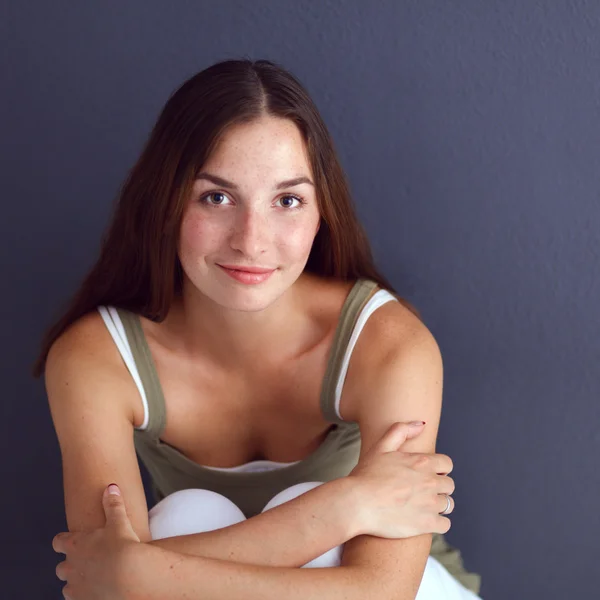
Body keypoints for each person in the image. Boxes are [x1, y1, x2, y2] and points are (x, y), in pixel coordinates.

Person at [33, 58, 482, 599]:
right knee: (187, 514)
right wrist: (345, 504)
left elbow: (381, 591)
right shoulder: (97, 357)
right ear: (167, 203)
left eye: (287, 200)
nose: (251, 240)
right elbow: (101, 579)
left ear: (322, 215)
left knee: (185, 538)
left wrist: (140, 570)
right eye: (216, 197)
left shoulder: (388, 345)